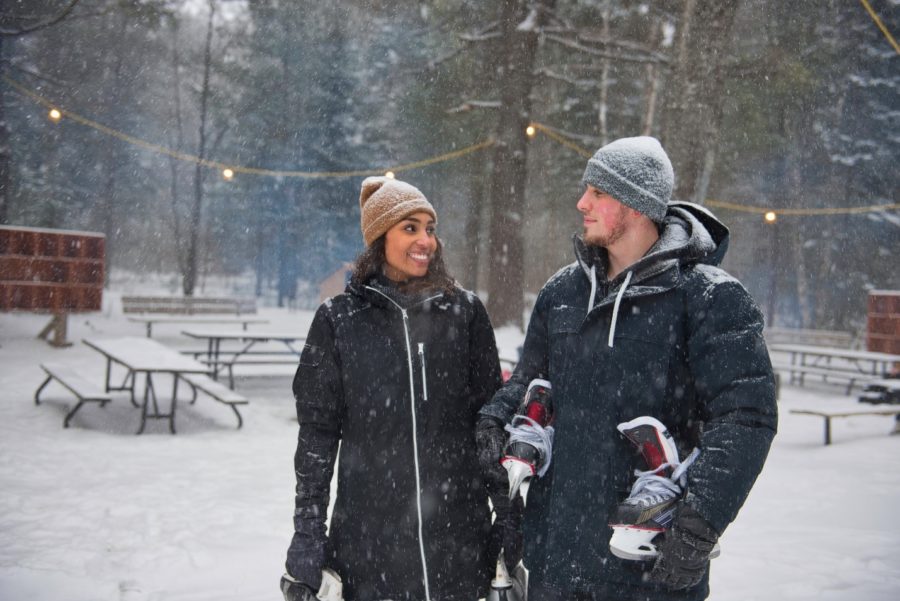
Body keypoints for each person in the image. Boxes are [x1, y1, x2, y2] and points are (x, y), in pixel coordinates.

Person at [475, 136, 778, 600]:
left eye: (598, 193)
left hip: (647, 569)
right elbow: (529, 382)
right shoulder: (563, 293)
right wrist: (497, 419)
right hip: (555, 562)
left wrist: (698, 528)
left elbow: (746, 417)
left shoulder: (708, 297)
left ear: (636, 204)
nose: (582, 203)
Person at [281, 176, 520, 601]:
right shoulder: (338, 320)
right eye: (410, 227)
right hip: (369, 545)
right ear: (378, 238)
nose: (425, 240)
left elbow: (491, 425)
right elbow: (316, 437)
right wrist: (308, 537)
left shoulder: (464, 313)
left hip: (457, 541)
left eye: (430, 228)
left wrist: (507, 519)